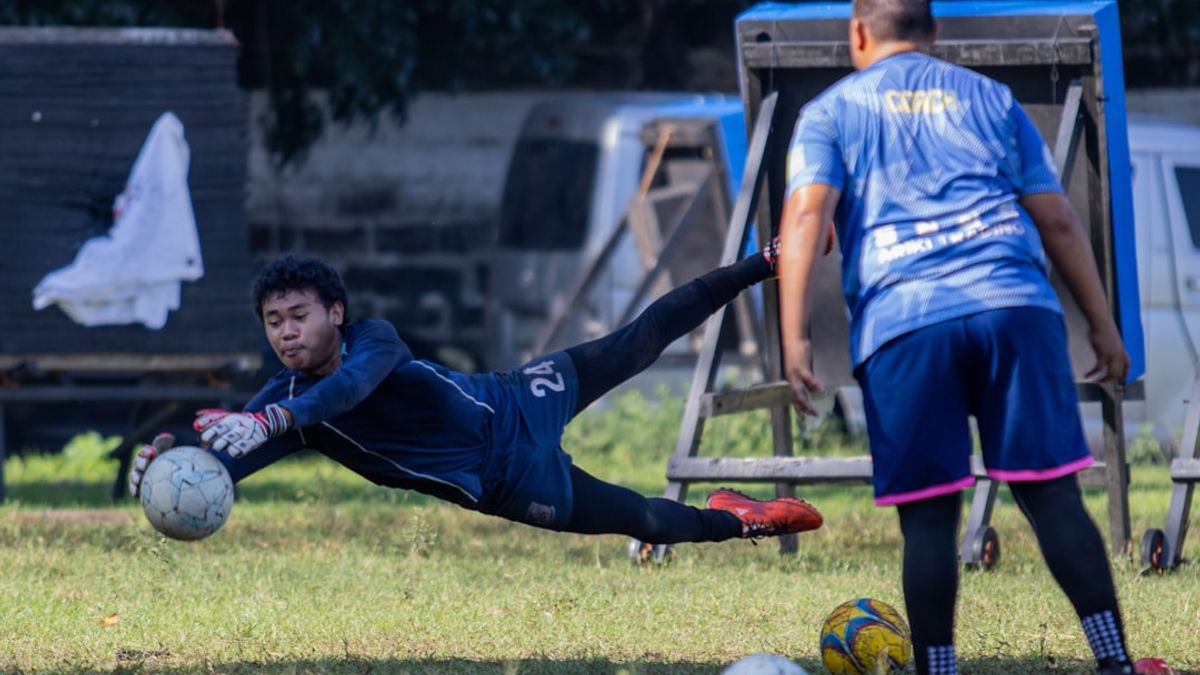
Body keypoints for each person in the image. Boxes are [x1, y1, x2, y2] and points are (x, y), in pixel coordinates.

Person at [775, 1, 1150, 674]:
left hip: (905, 319)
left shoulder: (830, 112)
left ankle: (939, 669)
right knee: (1051, 494)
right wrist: (1101, 324)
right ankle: (1115, 661)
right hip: (1014, 307)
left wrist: (793, 333)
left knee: (928, 519)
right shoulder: (991, 99)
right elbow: (1059, 220)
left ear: (857, 33)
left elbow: (806, 214)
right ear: (934, 33)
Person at [129, 251, 822, 554]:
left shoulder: (373, 340)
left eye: (297, 315)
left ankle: (764, 259)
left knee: (636, 340)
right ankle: (741, 520)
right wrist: (170, 459)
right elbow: (225, 459)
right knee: (644, 519)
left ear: (334, 312)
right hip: (506, 481)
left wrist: (274, 417)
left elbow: (349, 388)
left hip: (517, 399)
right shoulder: (284, 406)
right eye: (273, 321)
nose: (286, 331)